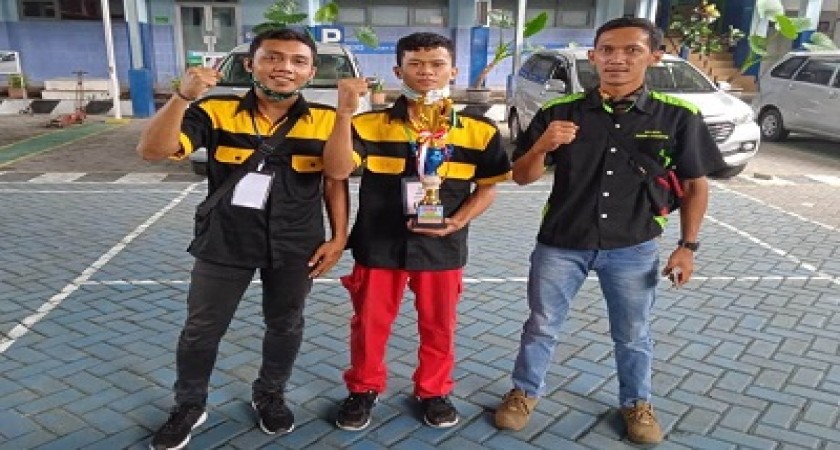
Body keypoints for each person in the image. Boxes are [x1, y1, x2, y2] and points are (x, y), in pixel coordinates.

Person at [493, 18, 726, 445]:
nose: (618, 59)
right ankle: (524, 392)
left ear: (654, 57)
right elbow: (522, 177)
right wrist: (543, 145)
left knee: (633, 332)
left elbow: (696, 185)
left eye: (632, 50)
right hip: (561, 243)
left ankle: (636, 402)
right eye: (607, 50)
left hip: (633, 246)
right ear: (593, 56)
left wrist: (687, 246)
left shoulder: (678, 116)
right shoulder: (558, 112)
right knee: (542, 324)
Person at [137, 28, 349, 450]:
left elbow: (337, 178)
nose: (284, 67)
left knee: (285, 324)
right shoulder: (216, 111)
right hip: (225, 240)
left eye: (298, 61)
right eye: (273, 57)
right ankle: (189, 404)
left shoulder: (327, 119)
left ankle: (269, 394)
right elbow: (152, 151)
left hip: (296, 244)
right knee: (202, 328)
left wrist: (339, 237)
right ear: (251, 64)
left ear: (311, 72)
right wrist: (181, 98)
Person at [322, 32, 511, 430]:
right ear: (398, 70)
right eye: (416, 64)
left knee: (439, 327)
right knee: (369, 326)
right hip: (378, 245)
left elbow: (488, 187)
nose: (427, 72)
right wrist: (343, 114)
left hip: (442, 246)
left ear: (453, 71)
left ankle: (433, 390)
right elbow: (336, 171)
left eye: (437, 64)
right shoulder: (368, 125)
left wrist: (458, 221)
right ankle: (363, 388)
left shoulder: (479, 130)